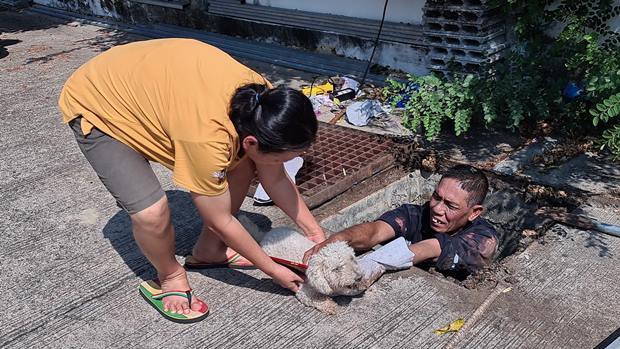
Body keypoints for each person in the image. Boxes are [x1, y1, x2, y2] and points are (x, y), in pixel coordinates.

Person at [59, 38, 325, 322]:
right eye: (282, 158)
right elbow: (218, 219)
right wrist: (272, 269)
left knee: (244, 164)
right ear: (251, 141)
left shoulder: (265, 104)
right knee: (152, 213)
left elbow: (276, 179)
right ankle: (170, 276)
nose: (285, 165)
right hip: (99, 103)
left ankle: (209, 251)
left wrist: (316, 236)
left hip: (144, 85)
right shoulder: (206, 139)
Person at [303, 164, 498, 285]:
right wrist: (339, 239)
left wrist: (376, 262)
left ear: (474, 212)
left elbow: (431, 247)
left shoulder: (483, 239)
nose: (437, 208)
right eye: (436, 197)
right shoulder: (415, 213)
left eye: (450, 206)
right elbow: (375, 231)